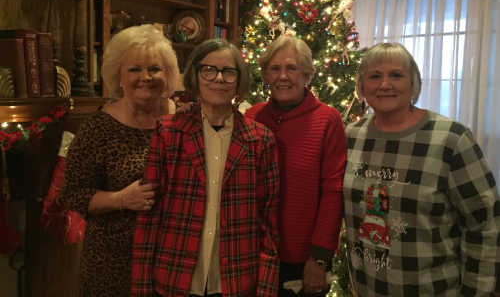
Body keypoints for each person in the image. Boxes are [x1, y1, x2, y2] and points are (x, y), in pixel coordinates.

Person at [343, 42, 500, 296]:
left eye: (396, 74)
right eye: (374, 76)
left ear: (413, 83)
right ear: (362, 87)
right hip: (367, 288)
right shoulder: (351, 136)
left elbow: (485, 224)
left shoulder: (451, 139)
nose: (385, 84)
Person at [131, 39, 280, 297]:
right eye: (208, 70)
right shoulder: (168, 131)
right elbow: (150, 214)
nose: (218, 79)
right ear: (196, 76)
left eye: (228, 71)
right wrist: (142, 288)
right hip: (176, 277)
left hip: (236, 281)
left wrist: (266, 289)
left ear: (239, 80)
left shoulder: (260, 139)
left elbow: (268, 223)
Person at [62, 24, 180, 297]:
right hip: (113, 265)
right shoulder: (97, 128)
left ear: (168, 74)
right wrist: (121, 199)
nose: (146, 77)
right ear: (119, 75)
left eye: (155, 68)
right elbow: (73, 194)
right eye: (134, 69)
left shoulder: (184, 118)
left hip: (175, 259)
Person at [244, 36, 347, 296]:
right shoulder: (252, 117)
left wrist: (320, 257)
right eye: (275, 69)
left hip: (305, 259)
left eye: (291, 68)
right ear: (266, 75)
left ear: (307, 75)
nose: (283, 77)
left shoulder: (327, 119)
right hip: (253, 251)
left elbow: (334, 192)